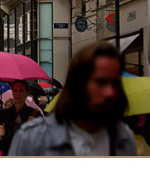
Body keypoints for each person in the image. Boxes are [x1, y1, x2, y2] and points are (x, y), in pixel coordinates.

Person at [8, 41, 137, 156]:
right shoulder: (32, 138)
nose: (109, 92)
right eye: (101, 82)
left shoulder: (122, 138)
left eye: (115, 83)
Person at [0, 80, 43, 155]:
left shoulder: (35, 114)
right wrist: (0, 136)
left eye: (21, 91)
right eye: (15, 90)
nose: (18, 94)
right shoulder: (4, 114)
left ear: (27, 93)